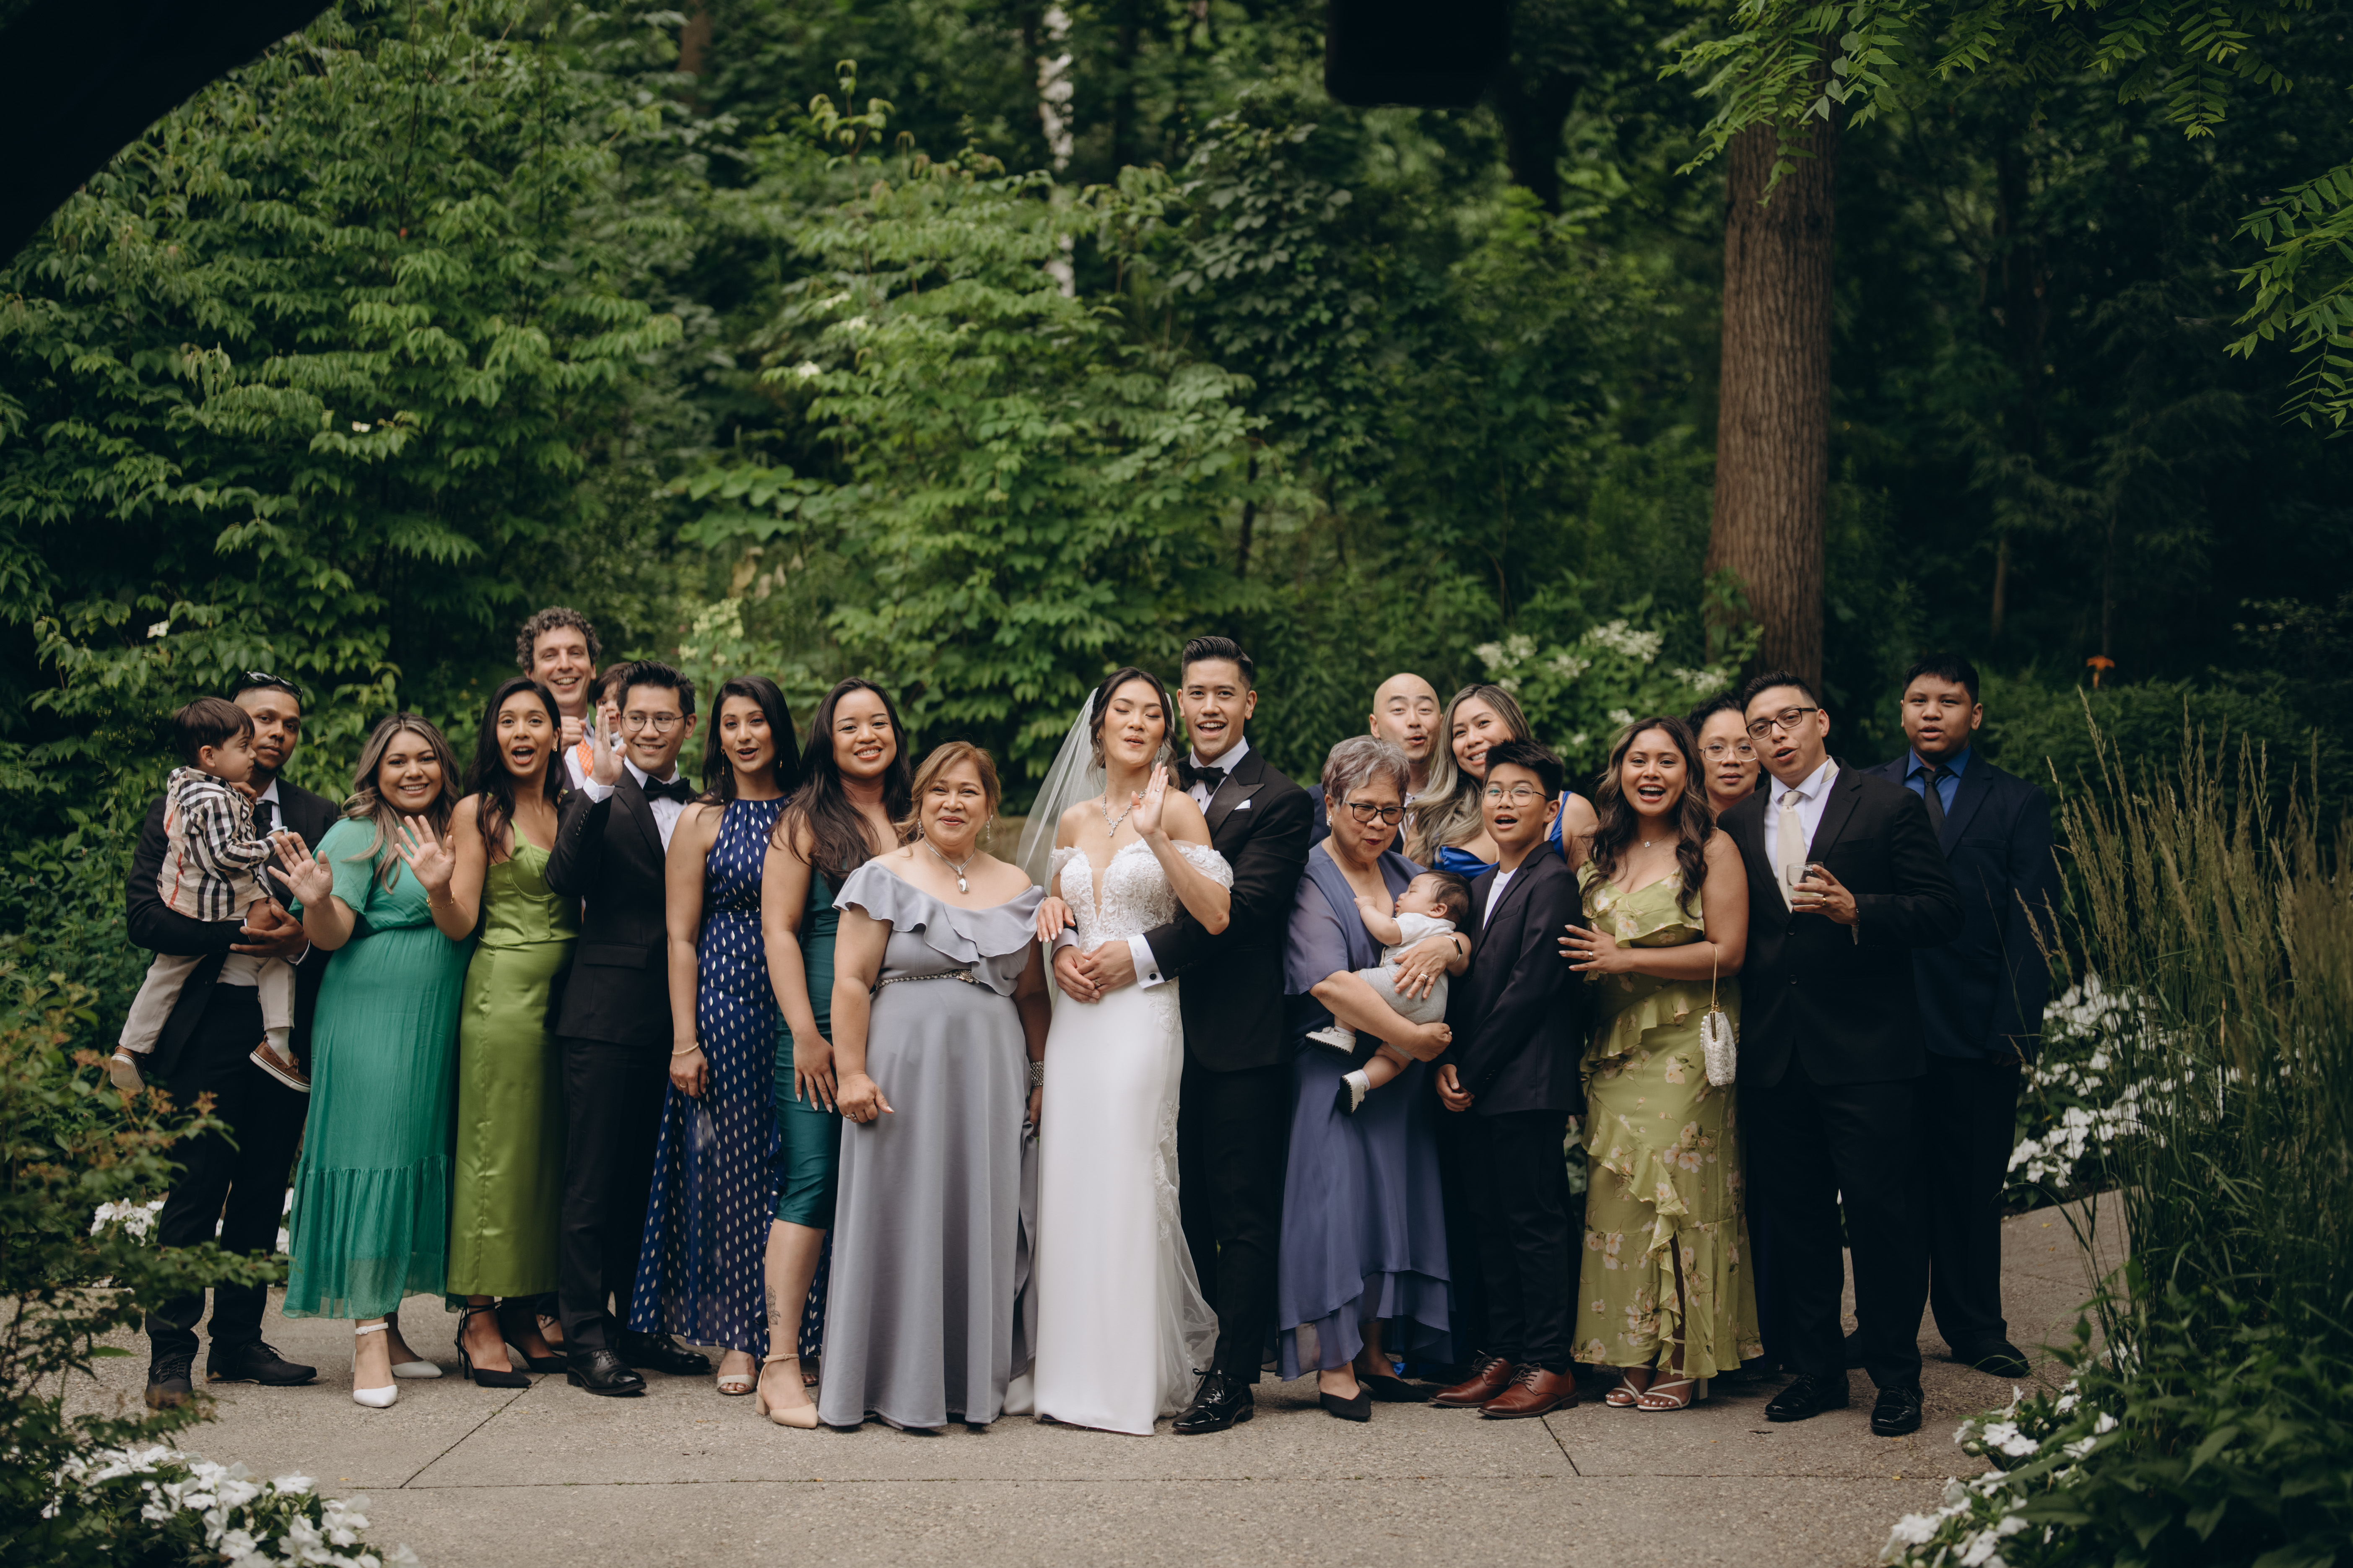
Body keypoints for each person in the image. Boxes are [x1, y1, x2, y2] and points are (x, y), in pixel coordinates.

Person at [1046, 636, 1312, 1436]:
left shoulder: (1280, 800)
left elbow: (1244, 914)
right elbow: (1068, 891)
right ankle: (1160, 1359)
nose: (1208, 707)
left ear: (1248, 703)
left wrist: (1134, 957)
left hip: (1230, 1032)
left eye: (1223, 694)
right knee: (1158, 1198)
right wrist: (1058, 932)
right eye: (1195, 693)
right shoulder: (1096, 807)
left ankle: (1232, 1378)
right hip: (1127, 1029)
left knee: (1237, 1210)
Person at [1717, 670, 1962, 1436]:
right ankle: (1817, 1370)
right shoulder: (1736, 822)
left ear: (1820, 721)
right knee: (1798, 1223)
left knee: (1882, 1219)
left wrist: (1863, 911)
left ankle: (1896, 1378)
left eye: (1789, 719)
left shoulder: (1886, 805)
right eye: (1760, 728)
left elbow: (1942, 911)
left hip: (1869, 1056)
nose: (1776, 736)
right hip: (1775, 1055)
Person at [818, 743, 1048, 1430]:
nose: (953, 803)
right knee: (899, 1214)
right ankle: (885, 1383)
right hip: (902, 1068)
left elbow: (1032, 995)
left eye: (968, 791)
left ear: (989, 805)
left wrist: (1041, 1076)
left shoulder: (1018, 885)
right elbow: (850, 981)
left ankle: (969, 1386)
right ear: (918, 801)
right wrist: (851, 1072)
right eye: (940, 790)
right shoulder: (881, 877)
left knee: (980, 1213)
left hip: (991, 1072)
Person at [1025, 667, 1231, 1435]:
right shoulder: (1074, 820)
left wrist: (1155, 838)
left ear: (1164, 734)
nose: (1138, 722)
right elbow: (1063, 911)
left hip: (1144, 1016)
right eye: (1124, 710)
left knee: (1132, 1178)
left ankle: (1127, 1380)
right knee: (1072, 1180)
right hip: (1077, 1021)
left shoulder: (1178, 809)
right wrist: (1059, 939)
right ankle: (1067, 1373)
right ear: (1100, 726)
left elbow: (1215, 916)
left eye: (1152, 713)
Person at [133, 672, 334, 1409]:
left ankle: (240, 1343)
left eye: (290, 723)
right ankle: (170, 1356)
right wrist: (236, 935)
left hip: (283, 1025)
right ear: (220, 740)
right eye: (262, 721)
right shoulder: (180, 806)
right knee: (195, 1186)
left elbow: (340, 921)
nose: (276, 733)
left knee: (261, 1186)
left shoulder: (318, 815)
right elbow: (144, 917)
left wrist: (297, 942)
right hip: (206, 1022)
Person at [1860, 654, 2055, 1381]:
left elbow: (2034, 920)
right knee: (1883, 1190)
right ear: (1902, 711)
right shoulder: (1864, 793)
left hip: (1975, 1029)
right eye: (1918, 700)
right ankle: (1881, 1328)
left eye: (1948, 701)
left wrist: (2014, 1027)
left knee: (1970, 1187)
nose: (1931, 712)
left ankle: (1975, 1327)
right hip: (1877, 1028)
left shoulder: (2016, 802)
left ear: (1975, 714)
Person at [1557, 717, 1762, 1410]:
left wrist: (1626, 957)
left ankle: (1684, 1357)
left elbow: (1728, 951)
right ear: (1618, 771)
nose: (1651, 773)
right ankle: (1633, 1351)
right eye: (1637, 760)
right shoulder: (1596, 849)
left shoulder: (1712, 848)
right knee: (1618, 1195)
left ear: (1687, 774)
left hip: (1683, 1043)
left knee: (1680, 1191)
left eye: (1666, 761)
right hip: (1611, 1043)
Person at [271, 714, 473, 1408]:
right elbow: (332, 934)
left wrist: (440, 886)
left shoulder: (459, 828)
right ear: (375, 773)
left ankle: (391, 1329)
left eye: (426, 758)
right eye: (397, 761)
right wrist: (315, 902)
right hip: (370, 1018)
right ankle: (365, 1339)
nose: (413, 772)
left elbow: (458, 924)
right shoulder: (356, 833)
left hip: (433, 1023)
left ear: (444, 765)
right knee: (373, 1158)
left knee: (409, 1156)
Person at [1273, 735, 1463, 1423]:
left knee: (1389, 1210)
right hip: (1332, 1073)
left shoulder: (1408, 873)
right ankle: (1336, 1365)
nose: (1379, 823)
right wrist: (1414, 1041)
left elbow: (1452, 934)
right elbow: (1327, 983)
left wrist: (1454, 947)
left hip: (1395, 1087)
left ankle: (1377, 1355)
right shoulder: (1308, 876)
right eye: (1364, 808)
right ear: (1330, 802)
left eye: (1392, 810)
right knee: (1336, 1215)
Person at [543, 660, 714, 1396]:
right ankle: (585, 1338)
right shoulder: (594, 794)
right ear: (616, 721)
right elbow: (563, 878)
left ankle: (640, 1325)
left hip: (686, 1023)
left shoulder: (707, 806)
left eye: (663, 718)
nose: (648, 730)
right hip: (605, 1017)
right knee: (592, 1185)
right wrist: (598, 787)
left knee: (652, 1185)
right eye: (635, 717)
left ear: (688, 726)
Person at [633, 676, 802, 1400]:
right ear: (717, 736)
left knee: (799, 1168)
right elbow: (680, 937)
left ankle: (798, 1330)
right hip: (726, 1003)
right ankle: (739, 1335)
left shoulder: (810, 810)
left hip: (803, 1007)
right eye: (731, 724)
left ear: (778, 730)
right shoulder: (703, 819)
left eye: (756, 721)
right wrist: (684, 1040)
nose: (744, 735)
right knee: (734, 1171)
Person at [758, 678, 911, 1426]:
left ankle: (877, 1356)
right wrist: (805, 1034)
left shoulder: (918, 814)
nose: (866, 735)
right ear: (828, 739)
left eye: (878, 722)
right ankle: (779, 1363)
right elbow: (779, 930)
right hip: (819, 1025)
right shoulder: (804, 820)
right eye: (850, 726)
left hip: (903, 1028)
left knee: (889, 1189)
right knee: (814, 1184)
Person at [1429, 740, 1589, 1419]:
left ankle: (1550, 1364)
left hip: (1525, 1084)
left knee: (1534, 1224)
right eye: (1495, 790)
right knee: (1489, 1223)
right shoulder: (1479, 887)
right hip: (1477, 1085)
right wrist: (1446, 1061)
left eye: (1522, 792)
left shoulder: (1553, 882)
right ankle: (1502, 1353)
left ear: (1551, 810)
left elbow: (1529, 990)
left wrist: (1469, 1069)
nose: (1504, 803)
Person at [431, 678, 577, 1386]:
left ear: (557, 733)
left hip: (568, 999)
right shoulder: (478, 812)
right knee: (495, 1156)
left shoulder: (571, 806)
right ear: (494, 734)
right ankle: (479, 1317)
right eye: (508, 721)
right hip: (504, 999)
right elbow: (461, 919)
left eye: (535, 720)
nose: (522, 733)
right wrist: (437, 886)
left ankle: (524, 1312)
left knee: (543, 1159)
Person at [111, 699, 297, 1096]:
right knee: (274, 959)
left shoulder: (185, 787)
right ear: (211, 755)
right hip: (203, 1010)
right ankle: (279, 1042)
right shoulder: (215, 800)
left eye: (291, 724)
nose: (265, 742)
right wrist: (270, 844)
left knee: (165, 974)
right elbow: (223, 855)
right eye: (249, 738)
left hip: (190, 900)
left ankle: (130, 1047)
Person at [1306, 868, 1473, 1114]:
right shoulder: (1446, 931)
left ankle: (1343, 1034)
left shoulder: (1420, 921)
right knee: (1394, 1059)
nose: (1401, 896)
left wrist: (1367, 907)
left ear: (1437, 910)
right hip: (1434, 1010)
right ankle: (1361, 1082)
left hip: (1403, 984)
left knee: (1353, 982)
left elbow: (1386, 931)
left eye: (1412, 892)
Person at [1406, 682, 1598, 875]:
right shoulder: (1430, 817)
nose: (1472, 740)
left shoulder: (1573, 812)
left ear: (1514, 724)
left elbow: (1595, 892)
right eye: (1460, 733)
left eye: (1483, 723)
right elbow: (1408, 890)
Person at [1308, 672, 1442, 846]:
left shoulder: (1464, 798)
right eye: (1399, 710)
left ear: (1442, 724)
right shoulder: (1327, 799)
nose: (1414, 721)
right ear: (1375, 726)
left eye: (1424, 709)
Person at [516, 606, 602, 788]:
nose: (565, 665)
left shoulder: (620, 743)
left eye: (575, 653)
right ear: (530, 673)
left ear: (593, 667)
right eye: (550, 656)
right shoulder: (516, 747)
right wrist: (551, 754)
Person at [1688, 695, 1765, 821]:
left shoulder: (1783, 821)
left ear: (1760, 762)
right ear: (1696, 757)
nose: (1731, 760)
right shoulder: (1676, 829)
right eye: (1717, 747)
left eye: (1745, 748)